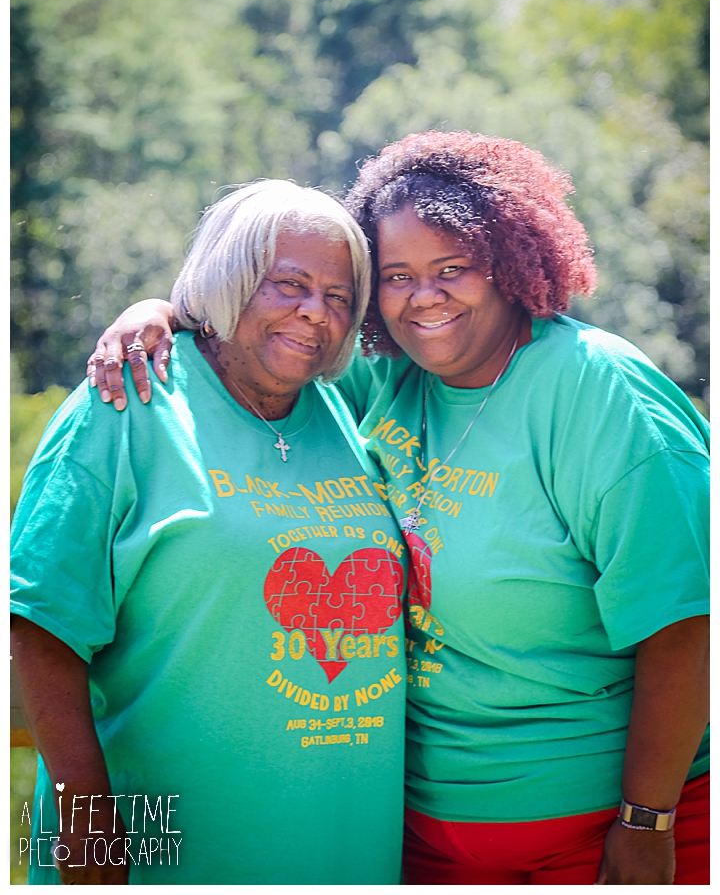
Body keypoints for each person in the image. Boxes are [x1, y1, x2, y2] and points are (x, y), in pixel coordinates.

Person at [86, 131, 710, 885]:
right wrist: (163, 313)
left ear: (512, 265)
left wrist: (646, 822)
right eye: (397, 276)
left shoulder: (599, 393)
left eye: (454, 269)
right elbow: (270, 344)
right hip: (417, 835)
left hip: (600, 827)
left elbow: (686, 622)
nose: (424, 297)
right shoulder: (387, 385)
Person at [10, 180, 408, 885]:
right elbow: (38, 625)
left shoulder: (345, 405)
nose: (315, 312)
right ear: (232, 277)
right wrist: (86, 822)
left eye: (340, 297)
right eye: (289, 284)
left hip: (347, 847)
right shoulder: (127, 401)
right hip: (167, 849)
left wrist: (160, 307)